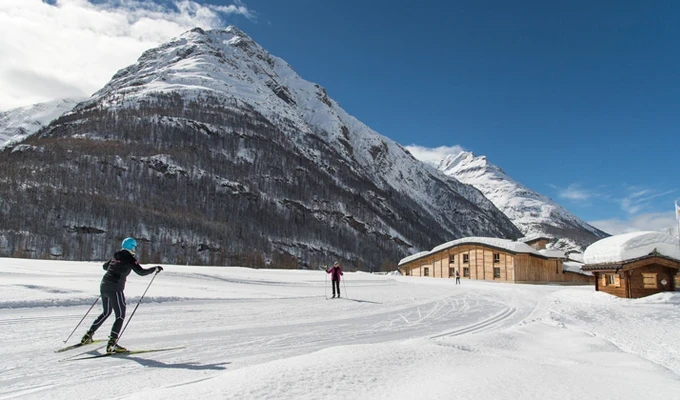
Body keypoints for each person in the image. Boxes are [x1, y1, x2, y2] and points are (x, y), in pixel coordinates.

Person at [80, 237, 163, 353]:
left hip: (104, 285)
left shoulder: (116, 255)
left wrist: (115, 266)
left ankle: (87, 336)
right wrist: (154, 269)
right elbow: (141, 272)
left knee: (106, 312)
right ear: (132, 247)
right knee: (119, 316)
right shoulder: (129, 258)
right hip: (115, 288)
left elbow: (105, 267)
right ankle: (112, 344)